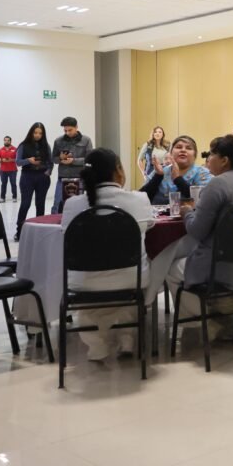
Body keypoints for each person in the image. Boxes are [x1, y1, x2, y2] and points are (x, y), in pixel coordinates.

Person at [166, 135, 233, 338]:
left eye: (212, 154)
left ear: (224, 160)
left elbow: (196, 231)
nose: (208, 159)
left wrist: (187, 212)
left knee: (171, 267)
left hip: (222, 265)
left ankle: (214, 319)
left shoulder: (218, 184)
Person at [61, 148, 154, 361]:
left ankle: (96, 346)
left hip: (82, 282)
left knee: (92, 294)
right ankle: (127, 338)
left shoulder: (72, 204)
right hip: (131, 279)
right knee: (142, 266)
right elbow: (149, 226)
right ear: (118, 171)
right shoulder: (139, 199)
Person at [141, 135, 211, 205]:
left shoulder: (202, 173)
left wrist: (178, 179)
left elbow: (204, 201)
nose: (183, 150)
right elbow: (141, 198)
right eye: (178, 147)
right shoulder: (160, 170)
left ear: (195, 155)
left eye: (189, 148)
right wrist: (157, 177)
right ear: (171, 153)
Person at [15, 122, 52, 240]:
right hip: (27, 177)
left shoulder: (46, 146)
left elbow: (50, 162)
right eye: (35, 132)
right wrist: (28, 160)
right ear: (31, 132)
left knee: (40, 204)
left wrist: (48, 172)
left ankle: (39, 231)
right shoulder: (23, 145)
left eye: (40, 133)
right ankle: (19, 231)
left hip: (42, 177)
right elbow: (18, 162)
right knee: (25, 204)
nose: (37, 135)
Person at [51, 116, 94, 213]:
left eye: (70, 130)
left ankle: (78, 221)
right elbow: (53, 159)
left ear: (76, 127)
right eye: (65, 130)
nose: (67, 133)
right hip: (62, 177)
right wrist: (60, 159)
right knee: (57, 203)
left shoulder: (86, 140)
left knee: (78, 205)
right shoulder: (58, 141)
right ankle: (55, 221)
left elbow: (89, 159)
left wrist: (73, 161)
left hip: (79, 177)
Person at [0, 135, 17, 203]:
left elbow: (18, 160)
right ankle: (2, 198)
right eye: (5, 140)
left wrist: (11, 160)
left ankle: (14, 197)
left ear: (10, 141)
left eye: (8, 140)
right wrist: (2, 160)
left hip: (13, 170)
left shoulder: (15, 149)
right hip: (3, 171)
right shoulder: (0, 150)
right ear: (4, 141)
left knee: (13, 184)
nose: (6, 141)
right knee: (3, 184)